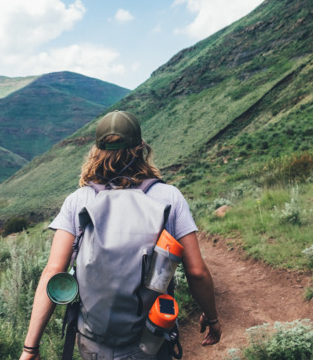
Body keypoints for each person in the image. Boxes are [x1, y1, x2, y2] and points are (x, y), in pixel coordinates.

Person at [20, 110, 221, 360]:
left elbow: (53, 272)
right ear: (141, 148)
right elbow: (197, 272)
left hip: (93, 342)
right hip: (152, 337)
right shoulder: (169, 197)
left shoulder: (78, 201)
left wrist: (31, 348)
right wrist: (211, 317)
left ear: (96, 151)